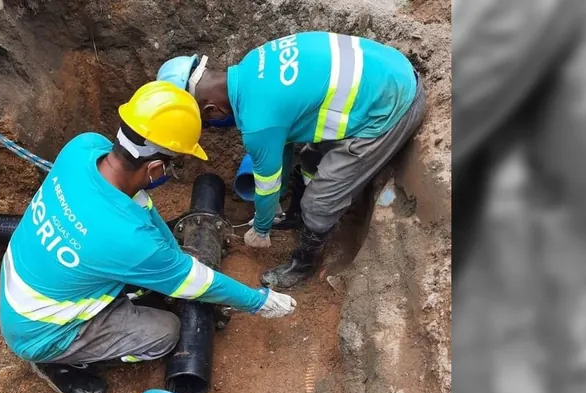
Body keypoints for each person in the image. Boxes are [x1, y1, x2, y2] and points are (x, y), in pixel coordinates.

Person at [0, 81, 297, 393]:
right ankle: (57, 362)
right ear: (154, 167)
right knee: (165, 333)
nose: (171, 171)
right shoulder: (128, 239)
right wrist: (257, 301)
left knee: (140, 279)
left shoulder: (83, 147)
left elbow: (140, 205)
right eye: (174, 164)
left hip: (22, 286)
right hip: (40, 333)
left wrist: (170, 254)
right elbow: (197, 284)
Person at [157, 31, 427, 289]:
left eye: (207, 122)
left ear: (211, 109)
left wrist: (261, 229)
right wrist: (278, 195)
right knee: (311, 159)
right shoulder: (253, 62)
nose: (213, 126)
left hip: (391, 109)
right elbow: (283, 146)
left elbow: (266, 185)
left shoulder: (258, 123)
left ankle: (304, 263)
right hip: (388, 73)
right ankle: (297, 215)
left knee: (319, 201)